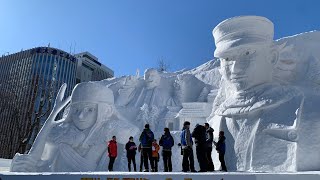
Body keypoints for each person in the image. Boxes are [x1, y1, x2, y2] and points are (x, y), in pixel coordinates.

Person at [209, 16, 304, 171]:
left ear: (272, 57)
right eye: (227, 58)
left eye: (247, 53)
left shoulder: (303, 106)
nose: (235, 69)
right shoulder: (219, 117)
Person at [10, 82, 139, 172]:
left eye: (89, 109)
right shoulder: (61, 135)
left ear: (104, 111)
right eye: (76, 110)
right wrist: (28, 167)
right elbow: (45, 166)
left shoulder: (115, 137)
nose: (80, 116)